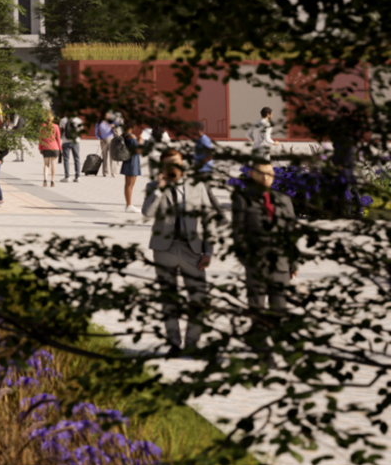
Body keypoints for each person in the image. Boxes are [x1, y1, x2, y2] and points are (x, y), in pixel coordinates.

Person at [142, 151, 220, 354]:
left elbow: (208, 220)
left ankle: (192, 343)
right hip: (163, 249)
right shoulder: (154, 186)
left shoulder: (198, 185)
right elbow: (147, 213)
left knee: (199, 298)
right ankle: (173, 344)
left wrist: (208, 252)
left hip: (193, 250)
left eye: (176, 163)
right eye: (168, 164)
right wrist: (160, 189)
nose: (173, 168)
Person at [231, 161, 299, 318]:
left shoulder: (284, 199)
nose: (265, 177)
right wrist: (246, 259)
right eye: (260, 173)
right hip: (256, 264)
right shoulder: (243, 199)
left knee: (279, 310)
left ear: (274, 175)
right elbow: (238, 232)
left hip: (281, 265)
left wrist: (293, 261)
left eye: (268, 173)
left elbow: (290, 233)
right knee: (256, 310)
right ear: (251, 175)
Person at [113, 122, 141, 212]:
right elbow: (138, 150)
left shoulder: (124, 135)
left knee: (127, 184)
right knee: (130, 184)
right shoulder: (132, 137)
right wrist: (140, 141)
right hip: (133, 161)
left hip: (127, 161)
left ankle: (128, 205)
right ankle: (129, 206)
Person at [59, 112, 86, 182]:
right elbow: (81, 130)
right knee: (76, 159)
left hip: (65, 141)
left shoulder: (63, 120)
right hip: (75, 141)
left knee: (66, 159)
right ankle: (77, 177)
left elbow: (61, 132)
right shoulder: (78, 120)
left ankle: (67, 177)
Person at [37, 113, 62, 188]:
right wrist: (60, 148)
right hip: (55, 147)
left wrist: (40, 148)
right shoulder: (56, 126)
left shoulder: (42, 126)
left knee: (46, 164)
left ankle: (45, 180)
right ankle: (52, 181)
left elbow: (40, 138)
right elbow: (58, 138)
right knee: (53, 164)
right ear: (52, 119)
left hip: (46, 147)